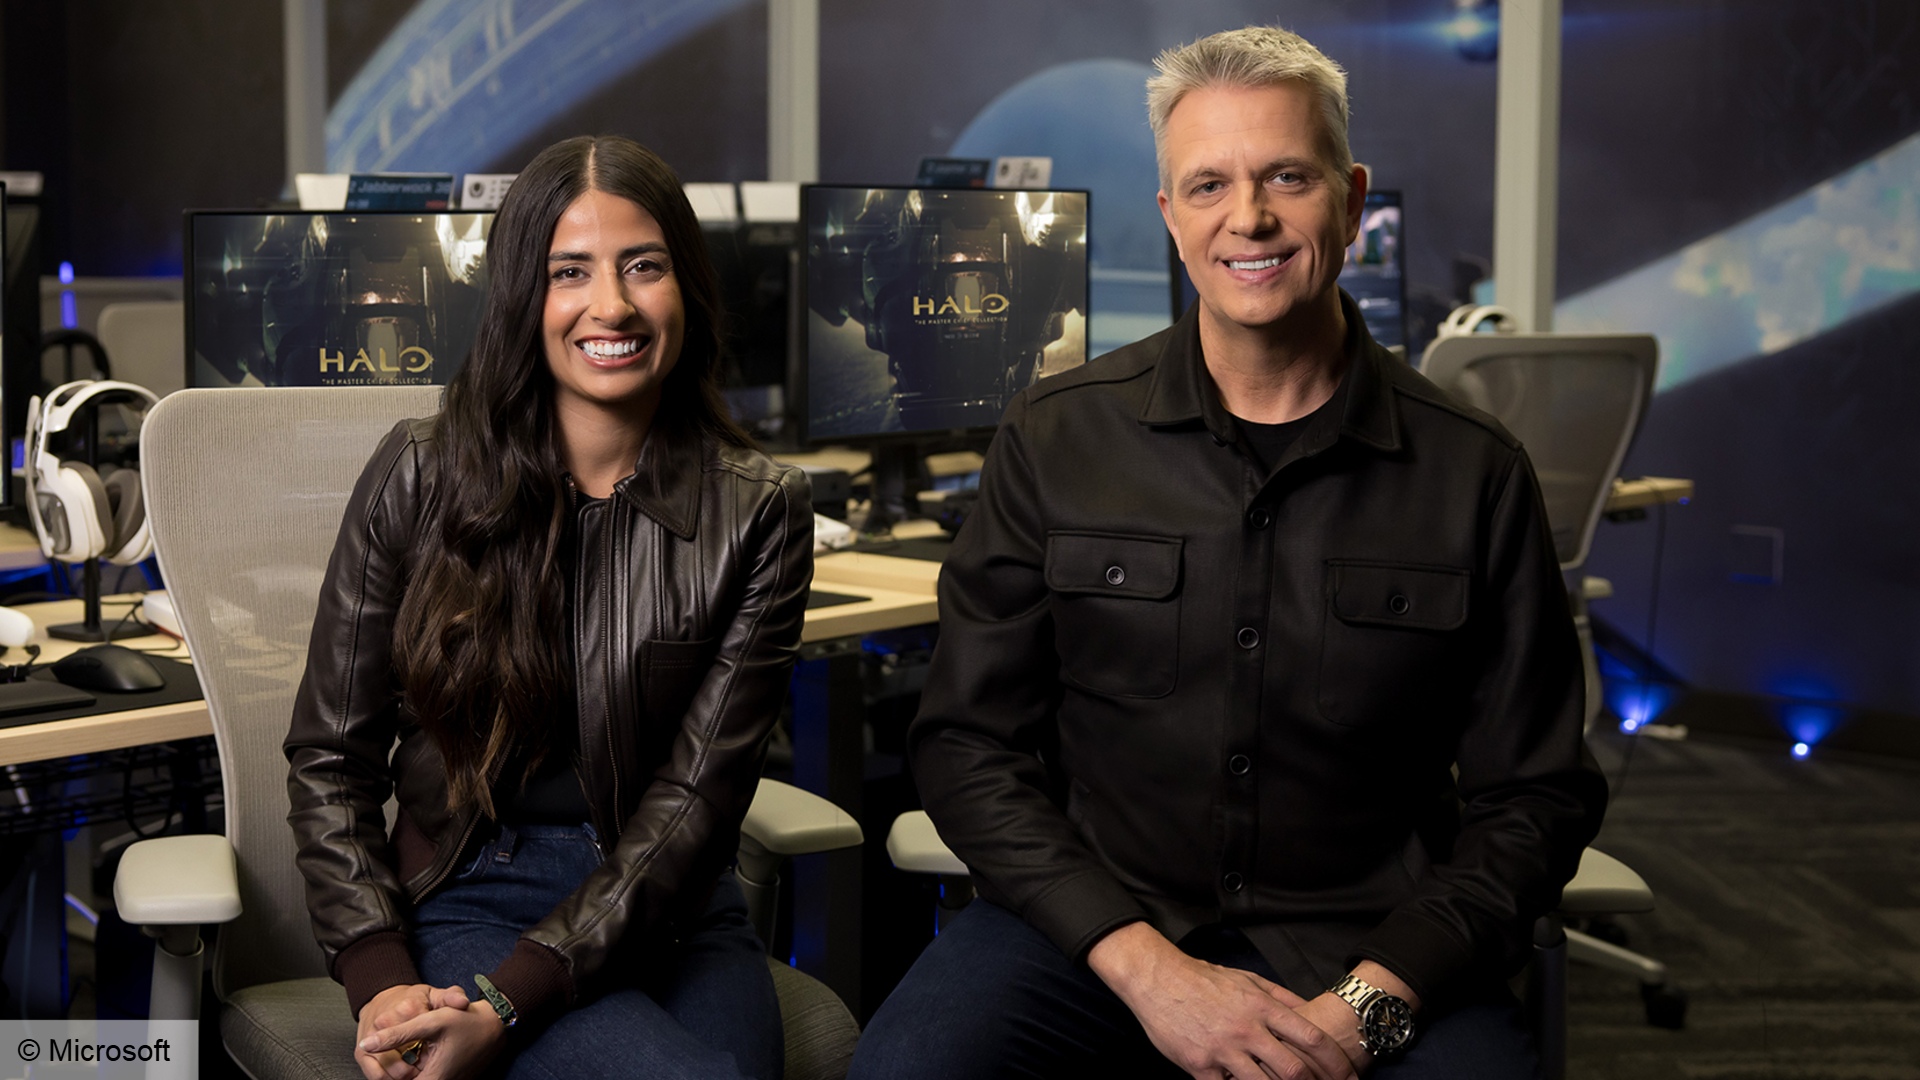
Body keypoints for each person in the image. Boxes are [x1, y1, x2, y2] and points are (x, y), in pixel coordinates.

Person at [851, 25, 1609, 1080]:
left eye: (1286, 177)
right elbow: (967, 746)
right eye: (1208, 185)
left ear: (1349, 196)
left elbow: (1537, 797)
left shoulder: (1472, 469)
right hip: (1098, 938)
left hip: (1372, 951)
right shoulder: (1057, 436)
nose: (1247, 217)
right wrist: (1148, 971)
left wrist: (1369, 1006)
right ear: (1171, 216)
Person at [284, 135, 811, 1080]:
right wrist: (379, 971)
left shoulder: (758, 510)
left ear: (685, 285)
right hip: (472, 889)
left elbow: (694, 804)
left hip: (672, 902)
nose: (610, 304)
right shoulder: (419, 471)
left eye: (643, 266)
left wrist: (508, 1000)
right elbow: (331, 756)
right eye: (570, 271)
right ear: (525, 296)